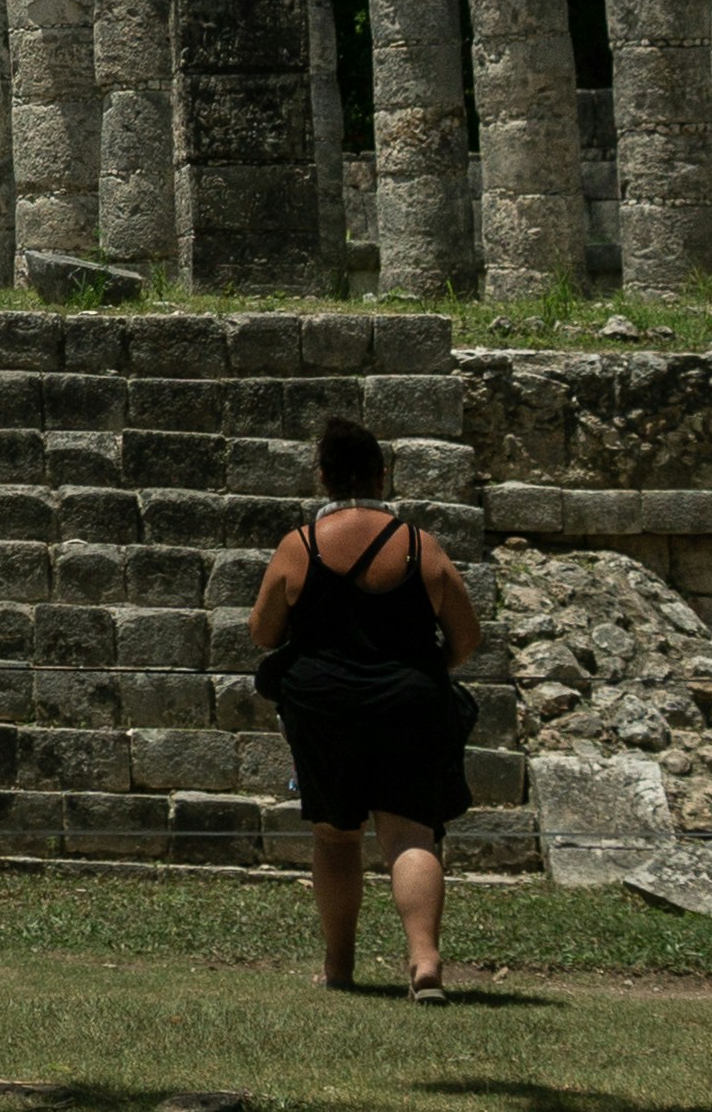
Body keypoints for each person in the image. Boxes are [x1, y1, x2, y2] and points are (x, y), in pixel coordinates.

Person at [247, 411, 482, 998]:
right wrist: (425, 670)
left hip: (322, 705)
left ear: (323, 478)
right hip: (410, 702)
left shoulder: (298, 547)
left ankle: (340, 965)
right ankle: (424, 962)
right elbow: (467, 637)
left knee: (335, 834)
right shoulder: (418, 547)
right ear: (381, 477)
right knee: (410, 835)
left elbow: (262, 633)